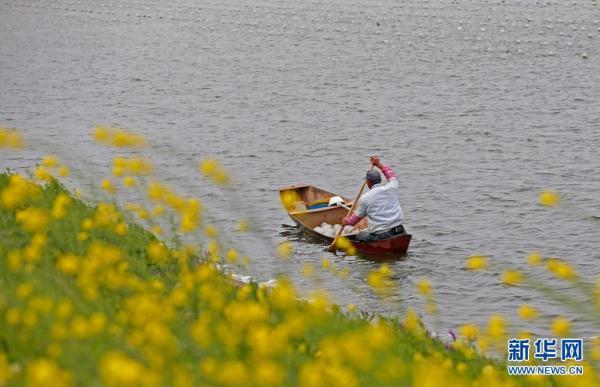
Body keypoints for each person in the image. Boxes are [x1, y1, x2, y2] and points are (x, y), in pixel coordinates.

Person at [341, 156, 406, 242]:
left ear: (368, 182)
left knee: (360, 235)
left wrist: (347, 222)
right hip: (400, 230)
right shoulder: (391, 187)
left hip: (382, 235)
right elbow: (391, 175)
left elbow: (356, 218)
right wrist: (379, 164)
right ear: (379, 180)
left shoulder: (365, 198)